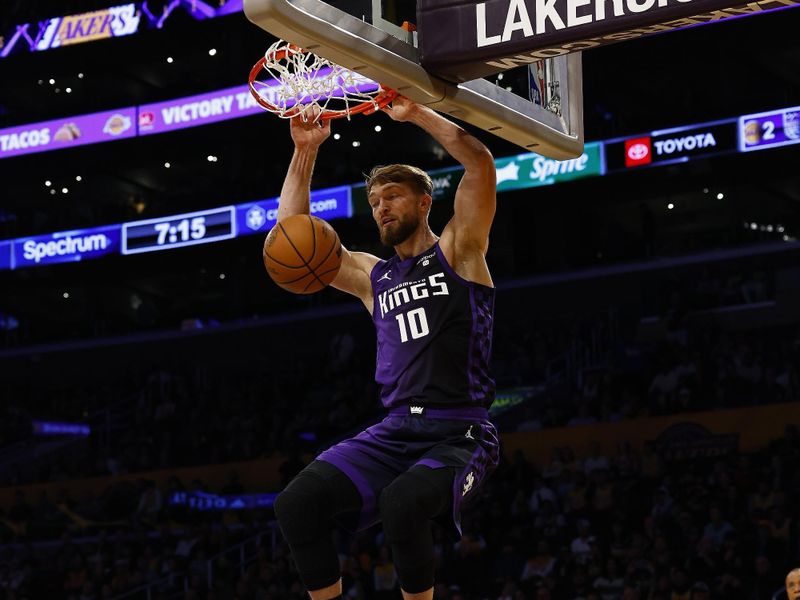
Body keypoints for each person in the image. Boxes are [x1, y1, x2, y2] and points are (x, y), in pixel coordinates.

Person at [272, 97, 500, 600]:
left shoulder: (460, 250)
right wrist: (305, 150)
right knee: (295, 504)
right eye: (375, 201)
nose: (381, 208)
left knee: (402, 504)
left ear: (424, 202)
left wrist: (417, 112)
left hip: (458, 430)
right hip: (395, 429)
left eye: (392, 196)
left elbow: (480, 163)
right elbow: (292, 237)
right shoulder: (374, 278)